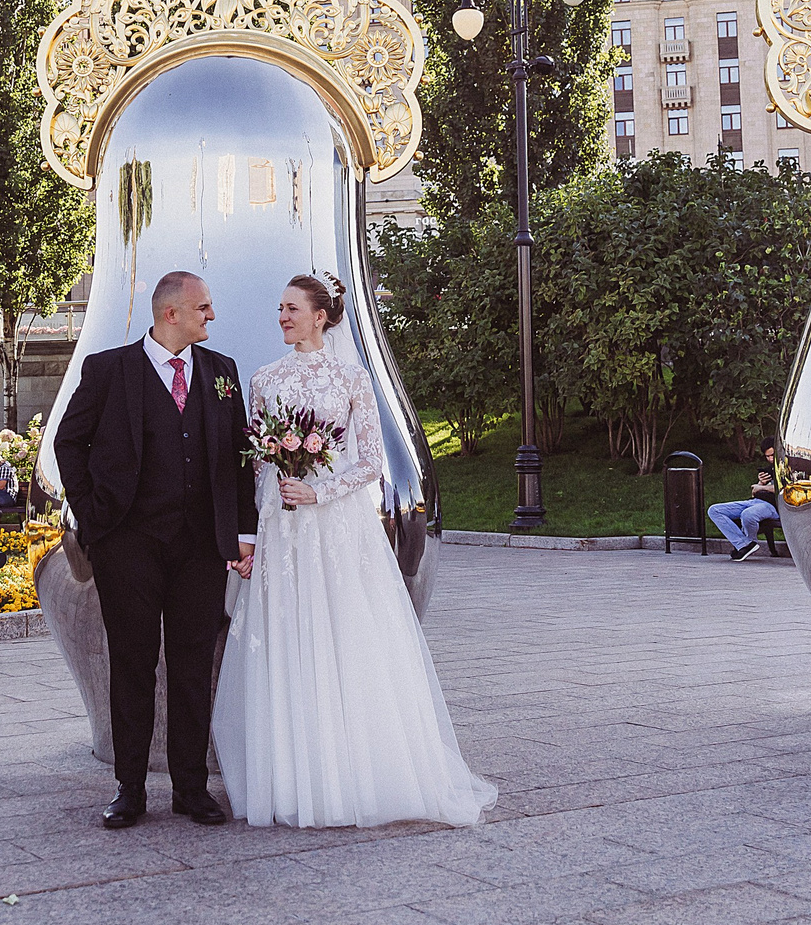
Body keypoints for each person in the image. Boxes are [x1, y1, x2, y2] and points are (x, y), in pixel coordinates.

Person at [213, 275, 496, 828]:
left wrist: (318, 490)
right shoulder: (264, 379)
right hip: (281, 525)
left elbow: (370, 461)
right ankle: (293, 778)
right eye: (280, 308)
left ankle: (353, 774)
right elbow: (257, 465)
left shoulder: (351, 378)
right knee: (286, 633)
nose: (283, 317)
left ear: (321, 315)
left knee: (343, 632)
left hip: (334, 526)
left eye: (292, 308)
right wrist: (256, 529)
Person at [52, 270, 256, 829]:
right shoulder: (108, 370)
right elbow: (68, 441)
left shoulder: (221, 373)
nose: (211, 317)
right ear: (172, 313)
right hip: (128, 546)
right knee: (133, 666)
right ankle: (130, 788)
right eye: (203, 308)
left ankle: (192, 789)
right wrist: (94, 518)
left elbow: (239, 458)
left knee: (194, 666)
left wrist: (244, 531)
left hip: (199, 550)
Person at [708, 443, 781, 561]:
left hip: (772, 506)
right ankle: (744, 544)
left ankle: (747, 544)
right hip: (755, 501)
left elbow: (784, 489)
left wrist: (761, 488)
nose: (770, 459)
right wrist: (761, 483)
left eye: (772, 455)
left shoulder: (788, 468)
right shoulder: (770, 469)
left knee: (747, 514)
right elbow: (754, 492)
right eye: (767, 457)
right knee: (714, 510)